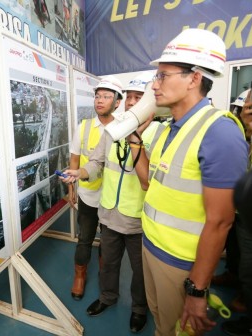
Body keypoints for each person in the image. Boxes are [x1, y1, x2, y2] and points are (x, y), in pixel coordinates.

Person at [124, 28, 248, 335]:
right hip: (150, 246)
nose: (154, 85)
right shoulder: (168, 129)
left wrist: (197, 288)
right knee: (161, 321)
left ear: (194, 78)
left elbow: (220, 223)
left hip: (180, 261)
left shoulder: (220, 133)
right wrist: (134, 140)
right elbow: (149, 185)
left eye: (163, 75)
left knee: (176, 330)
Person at [64, 71, 165, 333]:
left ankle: (139, 309)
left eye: (138, 98)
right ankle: (108, 297)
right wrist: (80, 173)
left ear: (149, 102)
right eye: (129, 97)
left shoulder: (160, 134)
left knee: (139, 270)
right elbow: (97, 162)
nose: (132, 103)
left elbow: (153, 178)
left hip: (137, 216)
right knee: (108, 263)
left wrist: (137, 139)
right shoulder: (114, 129)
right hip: (108, 210)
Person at [68, 75, 123, 301]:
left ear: (118, 102)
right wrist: (72, 189)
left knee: (108, 242)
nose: (100, 100)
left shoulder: (124, 129)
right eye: (98, 96)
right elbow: (74, 159)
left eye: (106, 96)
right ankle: (79, 276)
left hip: (112, 198)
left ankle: (104, 275)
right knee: (85, 238)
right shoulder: (84, 127)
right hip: (88, 195)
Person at [222, 90, 252, 336]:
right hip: (241, 211)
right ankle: (234, 279)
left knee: (250, 267)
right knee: (237, 254)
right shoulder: (243, 136)